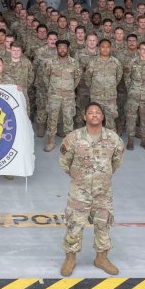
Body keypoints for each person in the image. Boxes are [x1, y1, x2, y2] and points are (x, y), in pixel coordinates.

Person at [58, 102, 124, 276]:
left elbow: (117, 161)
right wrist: (80, 177)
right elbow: (65, 161)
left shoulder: (113, 138)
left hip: (103, 191)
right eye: (90, 113)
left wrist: (102, 177)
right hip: (79, 190)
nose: (94, 115)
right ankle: (70, 259)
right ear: (84, 117)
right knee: (74, 224)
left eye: (98, 113)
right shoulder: (74, 137)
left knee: (103, 224)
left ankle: (101, 258)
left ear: (102, 117)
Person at [44, 40, 82, 151]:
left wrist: (69, 88)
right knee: (52, 118)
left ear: (68, 49)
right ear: (57, 49)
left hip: (68, 96)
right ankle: (51, 141)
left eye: (64, 47)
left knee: (68, 118)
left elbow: (77, 78)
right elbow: (45, 77)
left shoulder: (74, 63)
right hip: (54, 96)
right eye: (60, 47)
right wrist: (52, 89)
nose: (62, 49)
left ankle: (68, 143)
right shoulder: (50, 62)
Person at [124, 42, 145, 150]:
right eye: (142, 49)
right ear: (138, 50)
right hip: (133, 95)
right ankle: (130, 140)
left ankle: (144, 141)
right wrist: (131, 89)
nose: (144, 51)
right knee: (131, 118)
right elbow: (127, 77)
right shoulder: (132, 62)